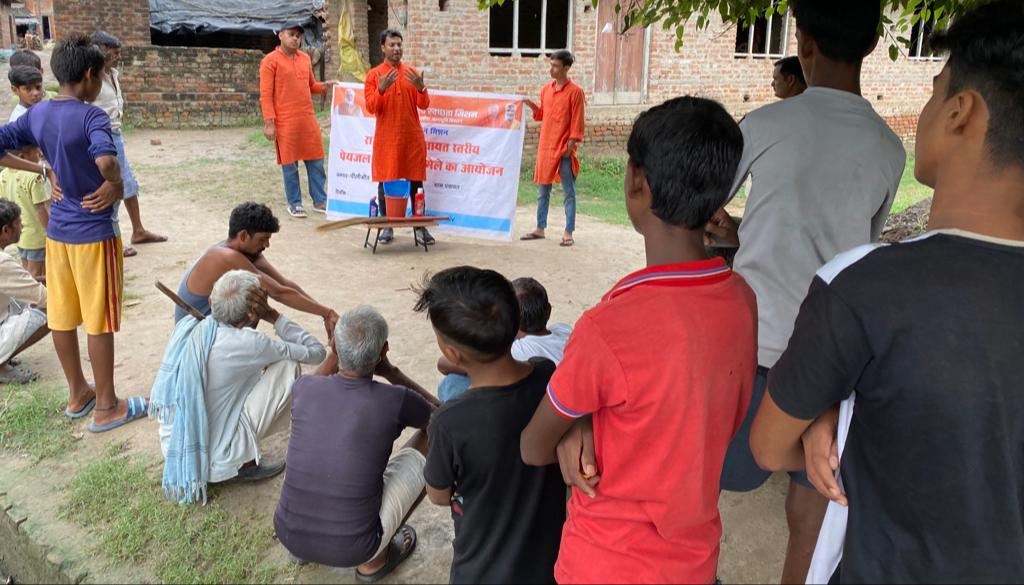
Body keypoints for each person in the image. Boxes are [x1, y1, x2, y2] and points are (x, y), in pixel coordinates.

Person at [751, 3, 1024, 583]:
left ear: (960, 112)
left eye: (934, 91)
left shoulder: (862, 286)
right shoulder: (882, 152)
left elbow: (770, 447)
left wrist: (833, 413)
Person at [704, 1, 906, 580]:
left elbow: (703, 207)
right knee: (812, 501)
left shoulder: (767, 124)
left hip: (755, 343)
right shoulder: (889, 148)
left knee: (710, 482)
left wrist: (738, 238)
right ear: (873, 45)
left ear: (804, 41)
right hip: (832, 354)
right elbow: (854, 251)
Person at [519, 96, 757, 584]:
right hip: (692, 563)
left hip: (605, 563)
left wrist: (577, 420)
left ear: (635, 182)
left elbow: (533, 447)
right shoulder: (742, 300)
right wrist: (586, 416)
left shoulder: (609, 327)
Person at [0, 35, 146, 433]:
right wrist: (114, 183)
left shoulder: (37, 113)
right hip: (94, 234)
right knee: (99, 321)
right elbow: (106, 160)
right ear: (89, 75)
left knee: (62, 316)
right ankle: (108, 407)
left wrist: (44, 169)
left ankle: (78, 393)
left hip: (58, 235)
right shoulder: (92, 116)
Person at [417, 266, 566, 584]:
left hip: (482, 568)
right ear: (518, 326)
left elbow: (439, 495)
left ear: (452, 353)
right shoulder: (546, 373)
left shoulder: (448, 421)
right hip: (548, 559)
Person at [275, 305, 439, 582]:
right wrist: (392, 372)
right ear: (384, 350)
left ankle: (308, 548)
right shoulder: (396, 399)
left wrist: (335, 352)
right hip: (354, 548)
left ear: (334, 345)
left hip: (289, 533)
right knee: (434, 437)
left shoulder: (304, 388)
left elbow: (324, 373)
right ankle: (373, 562)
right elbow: (441, 421)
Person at [154, 270, 326, 503]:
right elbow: (317, 352)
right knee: (287, 365)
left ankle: (235, 454)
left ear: (210, 302)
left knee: (247, 374)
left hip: (174, 447)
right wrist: (273, 316)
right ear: (253, 313)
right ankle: (242, 463)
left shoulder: (188, 327)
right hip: (212, 461)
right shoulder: (250, 342)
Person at [174, 202, 338, 336]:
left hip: (212, 327)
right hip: (193, 336)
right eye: (263, 239)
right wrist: (327, 313)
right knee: (255, 300)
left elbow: (284, 284)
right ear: (243, 236)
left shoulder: (248, 252)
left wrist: (325, 313)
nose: (267, 245)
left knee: (255, 299)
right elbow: (278, 293)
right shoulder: (226, 256)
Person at [90, 31, 167, 257]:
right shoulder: (92, 79)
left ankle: (138, 230)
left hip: (116, 134)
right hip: (103, 138)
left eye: (118, 53)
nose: (118, 57)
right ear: (101, 52)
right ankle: (112, 240)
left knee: (129, 185)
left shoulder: (112, 74)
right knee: (113, 188)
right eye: (114, 53)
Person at [436, 276, 572, 403]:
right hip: (555, 402)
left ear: (508, 319)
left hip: (529, 406)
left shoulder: (518, 350)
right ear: (548, 311)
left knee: (453, 382)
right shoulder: (564, 331)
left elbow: (443, 364)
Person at [364, 29, 435, 246]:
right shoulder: (374, 75)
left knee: (416, 183)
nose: (396, 49)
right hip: (387, 140)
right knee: (386, 182)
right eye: (392, 45)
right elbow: (370, 107)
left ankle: (419, 227)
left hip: (411, 139)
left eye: (399, 45)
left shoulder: (411, 73)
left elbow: (424, 105)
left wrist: (421, 89)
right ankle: (387, 226)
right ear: (382, 48)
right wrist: (381, 90)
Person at [260, 22, 338, 219]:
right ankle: (295, 203)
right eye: (291, 34)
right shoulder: (270, 61)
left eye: (298, 35)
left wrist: (326, 86)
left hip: (307, 119)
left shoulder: (304, 58)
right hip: (285, 121)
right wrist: (269, 123)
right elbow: (266, 94)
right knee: (290, 165)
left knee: (316, 160)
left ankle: (320, 200)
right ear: (281, 35)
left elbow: (310, 86)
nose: (295, 38)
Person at [521, 50, 585, 247]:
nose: (552, 69)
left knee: (568, 193)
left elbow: (577, 122)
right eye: (551, 65)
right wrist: (530, 105)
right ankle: (540, 228)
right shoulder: (546, 90)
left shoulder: (575, 92)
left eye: (556, 66)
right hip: (546, 147)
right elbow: (543, 115)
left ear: (566, 68)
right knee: (543, 191)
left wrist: (570, 146)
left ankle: (568, 232)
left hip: (564, 149)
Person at [0, 200, 48, 384]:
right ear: (6, 230)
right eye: (18, 223)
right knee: (54, 311)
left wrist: (46, 279)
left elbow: (22, 282)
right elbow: (45, 298)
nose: (22, 226)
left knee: (20, 299)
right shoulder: (3, 262)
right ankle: (1, 364)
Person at [0, 144, 48, 282]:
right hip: (36, 236)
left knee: (27, 270)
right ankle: (33, 296)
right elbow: (41, 209)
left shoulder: (3, 175)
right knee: (34, 275)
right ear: (22, 157)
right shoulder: (33, 176)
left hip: (18, 234)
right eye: (36, 151)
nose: (40, 154)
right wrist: (50, 232)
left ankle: (28, 294)